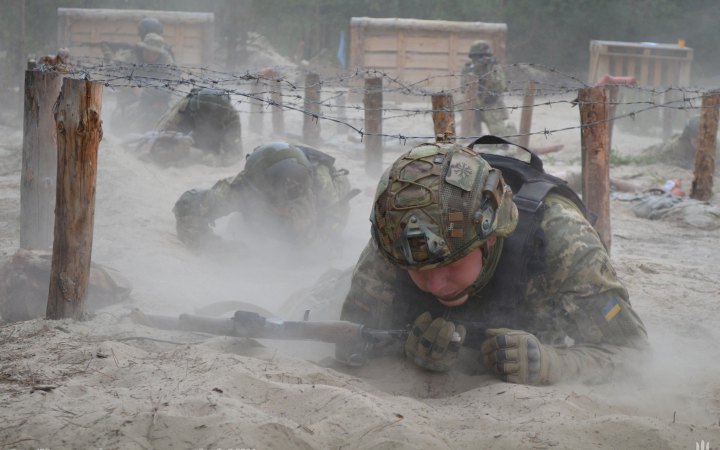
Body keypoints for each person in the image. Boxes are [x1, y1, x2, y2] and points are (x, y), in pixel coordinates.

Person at [336, 139, 648, 386]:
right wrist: (405, 348)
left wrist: (552, 364)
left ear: (491, 237)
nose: (433, 283)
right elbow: (349, 340)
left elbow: (633, 355)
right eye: (416, 268)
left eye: (448, 263)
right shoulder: (398, 235)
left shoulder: (564, 241)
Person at [173, 141, 356, 251]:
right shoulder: (243, 187)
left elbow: (327, 245)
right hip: (260, 208)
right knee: (247, 228)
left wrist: (304, 230)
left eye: (290, 195)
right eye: (276, 197)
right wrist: (215, 248)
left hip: (320, 206)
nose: (281, 204)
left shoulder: (319, 186)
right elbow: (189, 205)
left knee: (309, 249)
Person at [141, 88, 243, 166]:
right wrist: (178, 151)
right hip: (183, 143)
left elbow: (236, 153)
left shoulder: (231, 115)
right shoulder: (185, 107)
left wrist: (217, 160)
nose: (208, 122)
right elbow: (157, 137)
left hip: (211, 151)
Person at [106, 32, 177, 133]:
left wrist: (162, 99)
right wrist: (132, 86)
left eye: (155, 53)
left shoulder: (166, 60)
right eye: (148, 51)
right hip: (130, 98)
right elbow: (112, 76)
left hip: (155, 98)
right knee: (126, 123)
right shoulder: (129, 57)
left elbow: (173, 82)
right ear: (143, 47)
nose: (151, 55)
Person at [461, 41, 517, 138]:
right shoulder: (469, 68)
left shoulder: (493, 67)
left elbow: (501, 86)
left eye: (483, 57)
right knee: (471, 135)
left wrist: (490, 74)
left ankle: (511, 133)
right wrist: (475, 70)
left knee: (501, 137)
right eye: (477, 57)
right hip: (475, 105)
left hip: (492, 104)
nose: (480, 60)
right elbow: (463, 88)